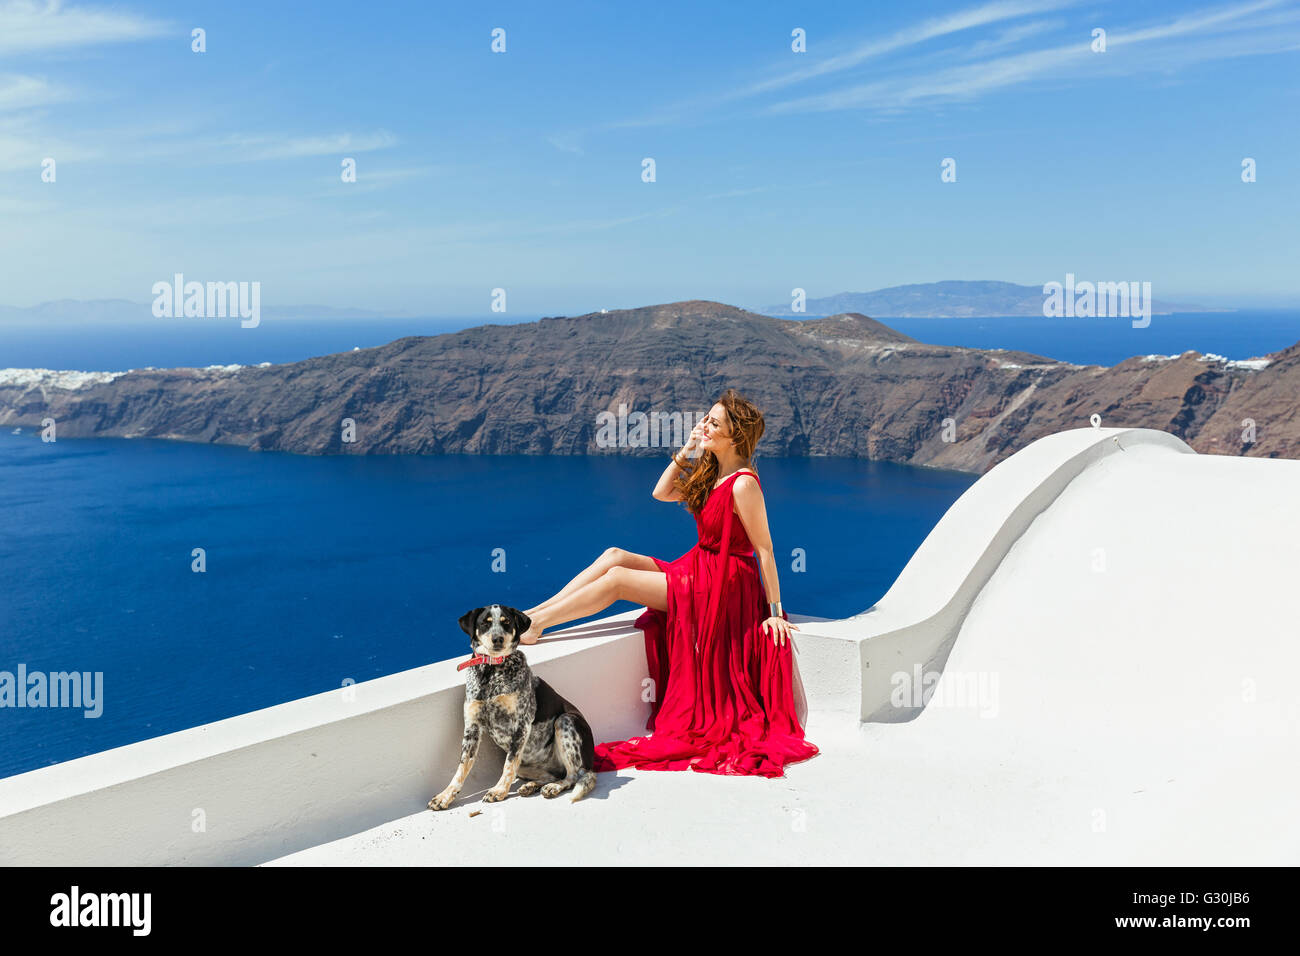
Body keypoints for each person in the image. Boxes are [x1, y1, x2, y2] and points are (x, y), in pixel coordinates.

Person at [519, 388, 819, 777]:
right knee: (615, 555)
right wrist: (690, 447)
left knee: (618, 580)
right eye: (706, 420)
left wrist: (774, 612)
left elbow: (764, 550)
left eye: (714, 423)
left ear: (735, 436)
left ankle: (536, 626)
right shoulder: (714, 470)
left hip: (723, 586)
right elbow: (660, 493)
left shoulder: (743, 483)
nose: (704, 426)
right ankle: (535, 614)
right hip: (700, 566)